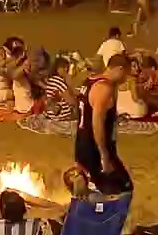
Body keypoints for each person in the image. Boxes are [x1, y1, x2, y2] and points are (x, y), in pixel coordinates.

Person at [75, 53, 134, 195]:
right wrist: (104, 155)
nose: (126, 79)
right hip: (95, 147)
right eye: (126, 74)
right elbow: (97, 123)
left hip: (82, 142)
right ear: (120, 69)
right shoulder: (104, 89)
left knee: (93, 187)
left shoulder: (89, 81)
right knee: (121, 188)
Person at [43, 56, 77, 121]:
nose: (66, 69)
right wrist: (70, 84)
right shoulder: (58, 81)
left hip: (51, 114)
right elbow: (71, 101)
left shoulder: (51, 79)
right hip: (60, 115)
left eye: (67, 67)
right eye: (64, 67)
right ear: (58, 68)